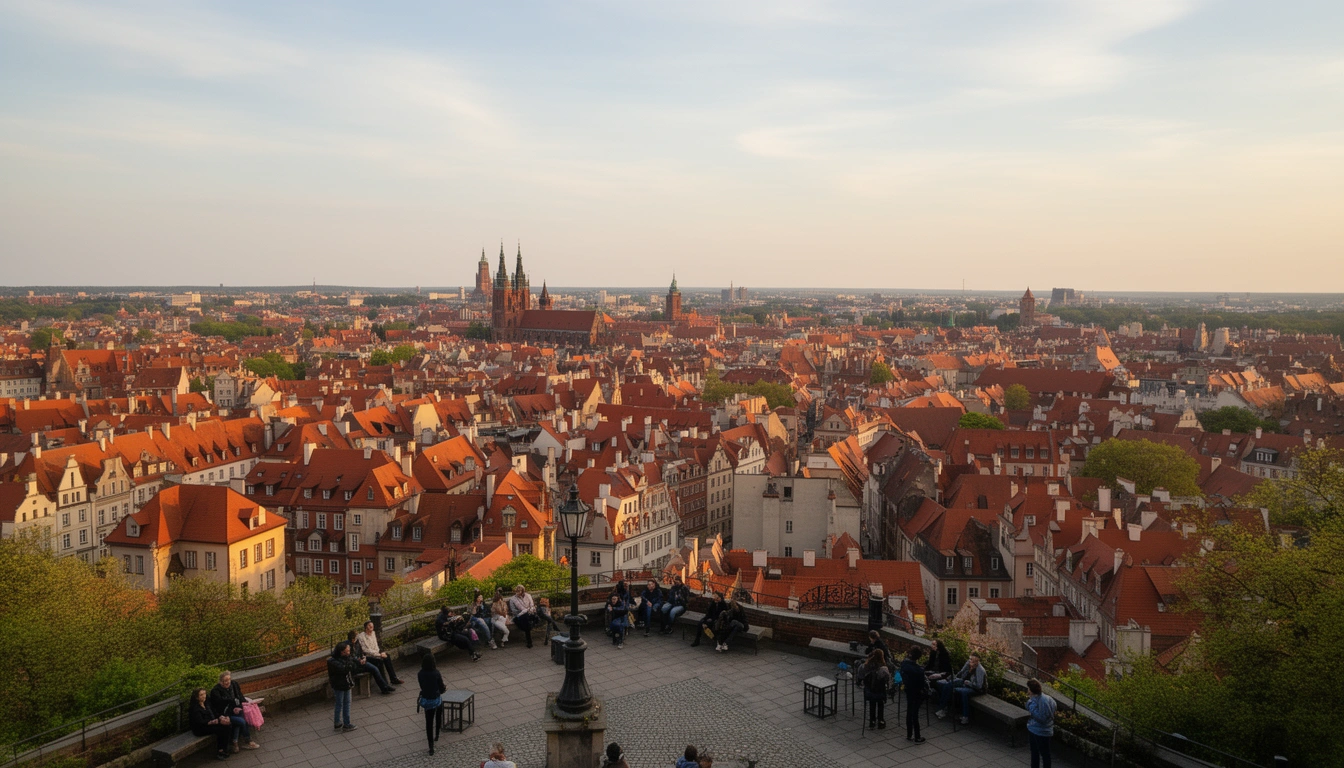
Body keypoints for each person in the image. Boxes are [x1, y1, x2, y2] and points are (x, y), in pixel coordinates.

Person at [207, 670, 259, 752]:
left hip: (235, 711)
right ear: (220, 682)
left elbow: (239, 696)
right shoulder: (215, 691)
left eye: (229, 680)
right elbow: (220, 704)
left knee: (239, 718)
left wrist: (239, 706)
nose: (228, 682)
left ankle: (235, 744)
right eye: (225, 681)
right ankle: (248, 741)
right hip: (224, 715)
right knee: (242, 721)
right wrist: (230, 709)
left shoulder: (234, 684)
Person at [935, 652, 987, 725]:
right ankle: (942, 708)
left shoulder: (980, 670)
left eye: (972, 660)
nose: (970, 661)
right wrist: (953, 678)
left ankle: (965, 717)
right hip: (964, 682)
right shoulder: (968, 663)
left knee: (963, 692)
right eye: (970, 659)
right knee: (948, 685)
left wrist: (969, 683)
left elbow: (979, 686)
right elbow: (961, 672)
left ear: (976, 661)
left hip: (976, 689)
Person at [354, 620, 404, 686]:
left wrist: (380, 653)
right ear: (366, 627)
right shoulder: (361, 636)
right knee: (380, 661)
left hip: (376, 653)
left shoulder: (373, 633)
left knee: (387, 656)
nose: (371, 627)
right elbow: (365, 650)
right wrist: (379, 655)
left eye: (372, 625)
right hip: (368, 656)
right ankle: (385, 683)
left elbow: (376, 646)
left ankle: (393, 678)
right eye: (369, 625)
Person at [188, 687, 231, 760]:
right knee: (220, 729)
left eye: (204, 694)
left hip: (210, 723)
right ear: (197, 697)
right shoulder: (194, 708)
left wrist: (221, 717)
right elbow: (199, 721)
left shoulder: (207, 704)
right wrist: (211, 722)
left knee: (227, 725)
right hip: (201, 728)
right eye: (201, 695)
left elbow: (214, 712)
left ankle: (225, 747)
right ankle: (220, 751)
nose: (204, 696)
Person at [346, 630, 395, 694]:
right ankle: (384, 688)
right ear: (353, 639)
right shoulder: (348, 646)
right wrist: (360, 661)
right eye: (356, 636)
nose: (358, 637)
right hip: (356, 665)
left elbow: (361, 652)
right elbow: (351, 657)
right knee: (374, 669)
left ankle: (385, 684)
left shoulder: (357, 642)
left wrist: (363, 658)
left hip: (361, 660)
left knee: (379, 661)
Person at [327, 642, 359, 733]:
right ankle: (345, 723)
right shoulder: (334, 662)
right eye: (347, 651)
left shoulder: (341, 659)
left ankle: (339, 722)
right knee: (343, 703)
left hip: (345, 684)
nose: (349, 652)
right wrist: (351, 662)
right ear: (342, 652)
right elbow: (344, 669)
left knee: (341, 703)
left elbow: (353, 668)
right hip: (340, 685)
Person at [417, 654, 446, 755]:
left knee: (428, 723)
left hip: (426, 699)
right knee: (438, 716)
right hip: (436, 699)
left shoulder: (420, 674)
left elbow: (422, 686)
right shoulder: (436, 673)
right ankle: (437, 734)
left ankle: (431, 746)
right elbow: (441, 687)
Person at [857, 647, 891, 729]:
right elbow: (887, 680)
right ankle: (880, 720)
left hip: (869, 690)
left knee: (872, 704)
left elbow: (860, 677)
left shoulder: (864, 666)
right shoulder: (884, 669)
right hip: (880, 691)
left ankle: (872, 721)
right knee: (880, 704)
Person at [900, 647, 928, 743]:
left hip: (908, 690)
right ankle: (917, 736)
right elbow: (921, 684)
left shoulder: (904, 664)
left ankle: (909, 734)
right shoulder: (918, 670)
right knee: (915, 714)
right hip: (916, 692)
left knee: (909, 711)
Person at [1026, 679, 1056, 768]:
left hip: (1037, 730)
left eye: (1028, 689)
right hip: (1047, 730)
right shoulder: (1048, 698)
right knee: (1046, 754)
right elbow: (1054, 707)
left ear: (1031, 690)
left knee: (1035, 753)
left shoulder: (1034, 702)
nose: (1027, 690)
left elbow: (1041, 718)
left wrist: (1029, 705)